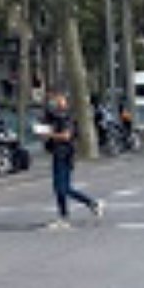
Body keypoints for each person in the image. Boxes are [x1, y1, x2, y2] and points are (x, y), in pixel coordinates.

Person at [44, 93, 104, 228]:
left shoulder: (66, 118)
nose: (57, 102)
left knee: (62, 188)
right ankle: (68, 214)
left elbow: (66, 136)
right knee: (61, 188)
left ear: (65, 102)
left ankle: (87, 205)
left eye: (60, 100)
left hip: (64, 154)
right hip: (59, 153)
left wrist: (50, 135)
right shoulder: (56, 117)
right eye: (56, 100)